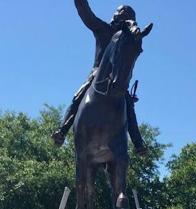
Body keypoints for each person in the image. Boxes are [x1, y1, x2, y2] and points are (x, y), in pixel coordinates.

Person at [52, 1, 148, 156]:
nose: (118, 13)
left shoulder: (129, 39)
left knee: (128, 105)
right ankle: (62, 129)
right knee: (79, 96)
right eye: (119, 11)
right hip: (98, 75)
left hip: (118, 80)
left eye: (122, 12)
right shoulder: (103, 29)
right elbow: (86, 14)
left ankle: (138, 142)